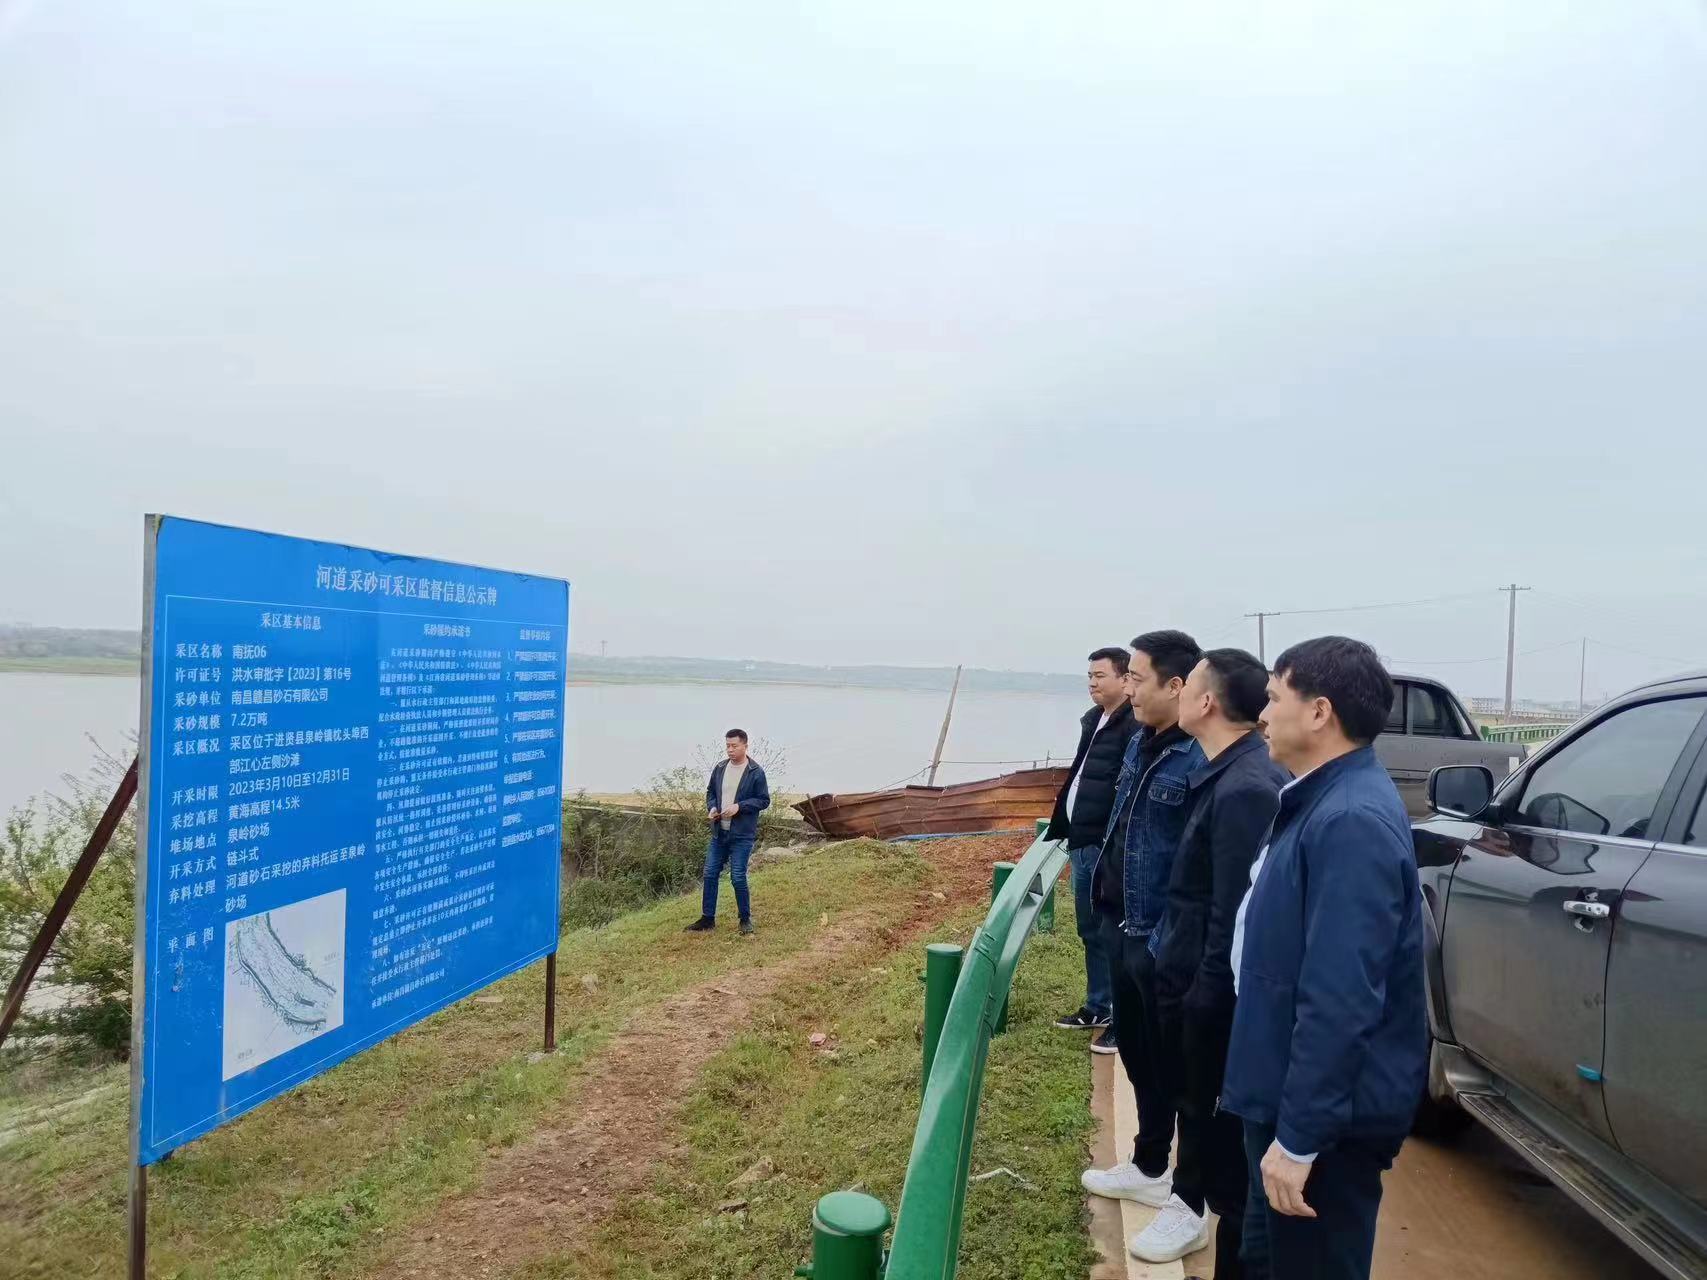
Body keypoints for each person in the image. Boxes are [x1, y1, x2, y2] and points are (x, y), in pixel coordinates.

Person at [1222, 637, 1427, 1280]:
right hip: (1284, 1095)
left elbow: (1341, 996)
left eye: (1273, 697)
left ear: (1319, 712)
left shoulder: (1349, 820)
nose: (1262, 714)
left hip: (1321, 1124)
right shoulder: (1319, 797)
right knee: (1267, 1260)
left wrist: (1300, 1137)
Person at [1128, 649, 1288, 1272]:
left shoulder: (1246, 786)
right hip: (1186, 969)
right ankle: (1188, 1197)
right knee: (1191, 1101)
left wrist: (1204, 996)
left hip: (1205, 987)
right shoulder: (1225, 771)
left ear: (1206, 701)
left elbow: (1232, 909)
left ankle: (1195, 1207)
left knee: (1209, 1113)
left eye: (1189, 682)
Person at [1081, 630, 1204, 1198]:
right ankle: (1149, 1163)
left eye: (1136, 677)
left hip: (1158, 933)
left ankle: (1187, 1187)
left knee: (1173, 1062)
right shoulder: (1141, 741)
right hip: (1120, 918)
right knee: (1135, 1049)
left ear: (1176, 685)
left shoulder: (1197, 756)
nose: (1128, 689)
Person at [1046, 647, 1140, 1037]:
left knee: (1114, 932)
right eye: (1089, 676)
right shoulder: (1095, 719)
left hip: (1106, 845)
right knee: (1090, 929)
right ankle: (1098, 1006)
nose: (1092, 683)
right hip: (1082, 840)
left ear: (1125, 679)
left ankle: (1123, 1015)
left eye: (1100, 675)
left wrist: (1111, 842)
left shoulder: (1133, 725)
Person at [684, 729, 771, 935]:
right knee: (709, 874)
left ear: (745, 746)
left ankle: (745, 919)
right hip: (719, 833)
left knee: (738, 877)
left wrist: (739, 806)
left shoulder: (755, 772)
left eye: (734, 746)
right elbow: (711, 792)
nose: (730, 750)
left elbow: (763, 800)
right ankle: (707, 919)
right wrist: (712, 807)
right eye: (727, 746)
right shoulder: (720, 768)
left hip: (742, 835)